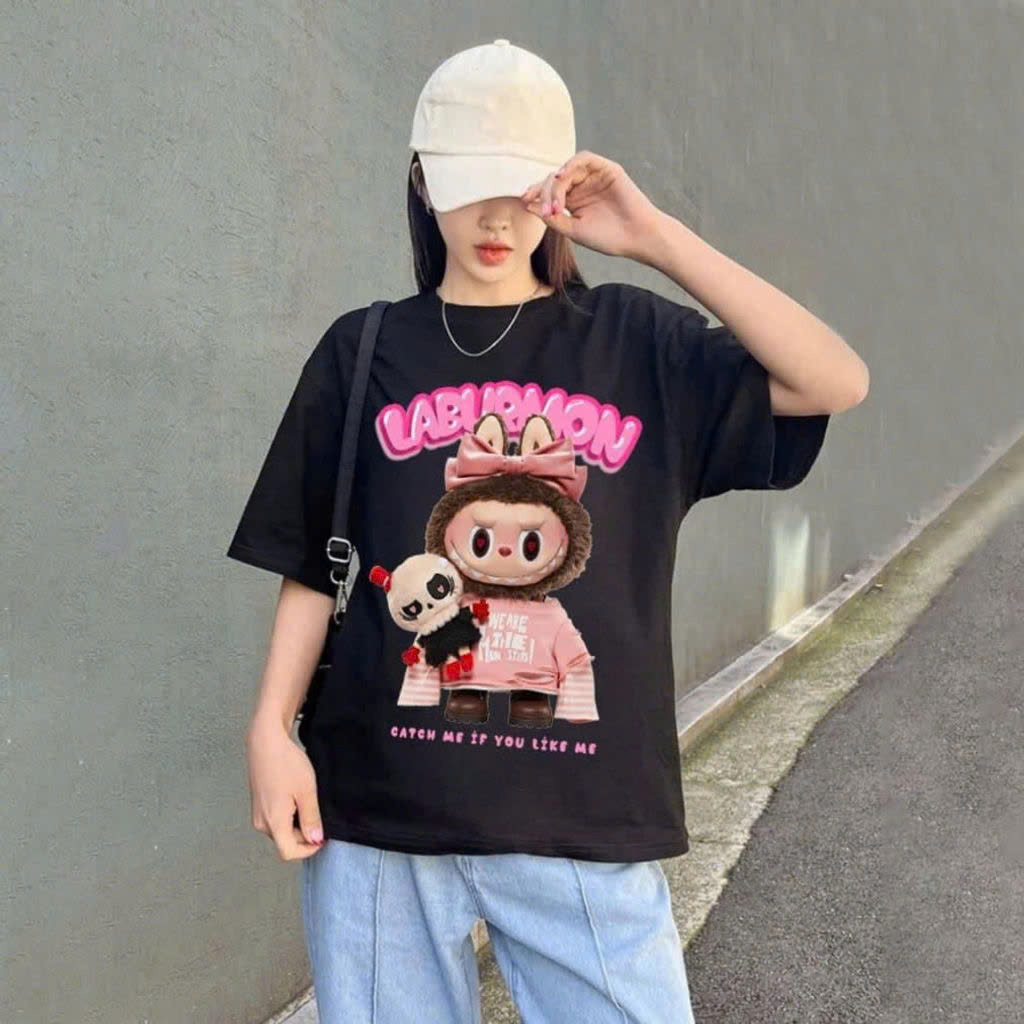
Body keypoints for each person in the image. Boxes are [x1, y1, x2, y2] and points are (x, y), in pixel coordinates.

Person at [227, 38, 869, 1024]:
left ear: (558, 185)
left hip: (581, 825)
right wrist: (270, 730)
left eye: (518, 189)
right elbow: (312, 561)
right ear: (421, 181)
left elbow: (832, 380)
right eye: (468, 187)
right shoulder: (361, 351)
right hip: (378, 822)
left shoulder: (637, 345)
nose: (494, 219)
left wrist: (655, 238)